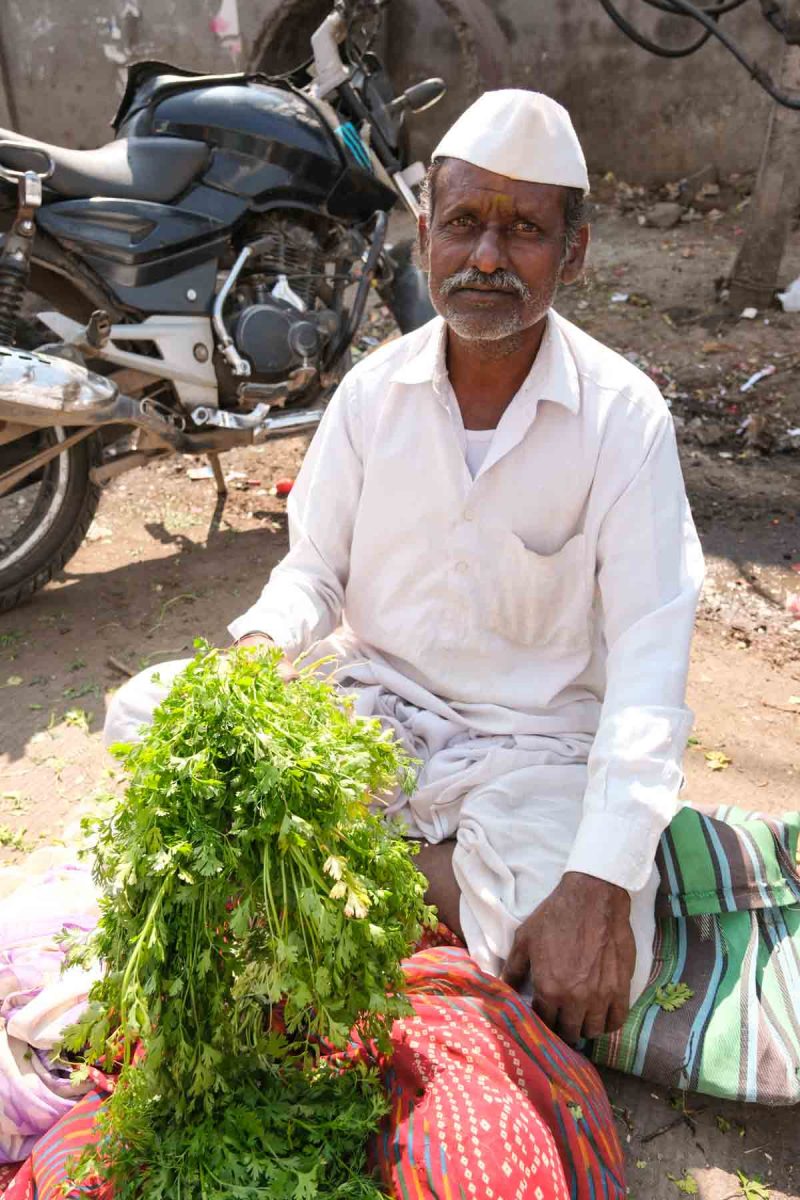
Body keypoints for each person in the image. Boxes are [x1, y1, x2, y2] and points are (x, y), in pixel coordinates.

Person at [103, 89, 703, 1196]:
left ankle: (325, 876)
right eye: (464, 222)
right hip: (368, 719)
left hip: (529, 755)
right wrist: (255, 655)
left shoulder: (623, 419)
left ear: (573, 252)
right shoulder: (372, 394)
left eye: (524, 230)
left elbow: (651, 666)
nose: (488, 256)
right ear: (424, 235)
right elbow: (311, 574)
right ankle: (390, 883)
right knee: (148, 714)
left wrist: (595, 882)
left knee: (586, 911)